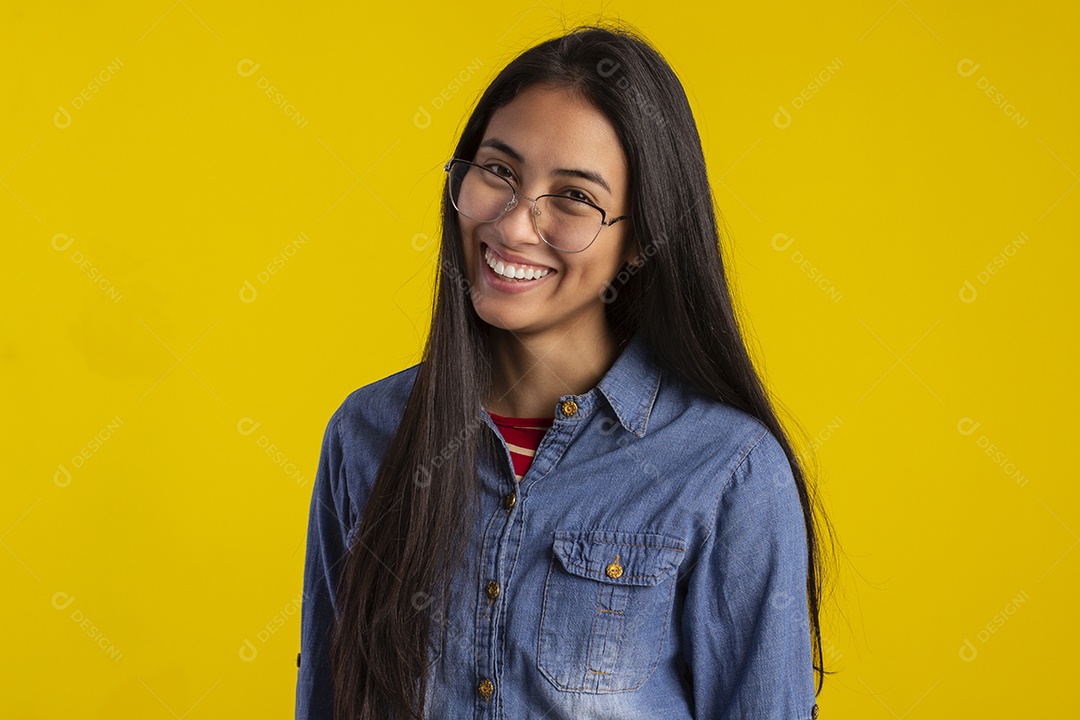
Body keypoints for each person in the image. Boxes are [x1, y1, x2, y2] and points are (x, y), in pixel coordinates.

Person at [296, 22, 832, 720]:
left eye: (574, 197)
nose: (516, 226)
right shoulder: (365, 435)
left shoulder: (728, 471)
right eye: (499, 172)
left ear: (639, 238)